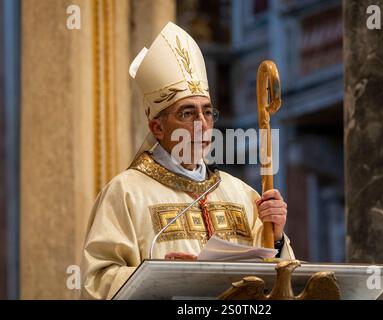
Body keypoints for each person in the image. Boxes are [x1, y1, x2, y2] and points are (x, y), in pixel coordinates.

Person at [81, 22, 295, 300]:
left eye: (207, 112)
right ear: (157, 127)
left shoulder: (243, 195)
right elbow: (96, 283)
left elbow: (276, 285)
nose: (202, 125)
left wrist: (276, 238)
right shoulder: (125, 194)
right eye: (186, 114)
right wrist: (164, 275)